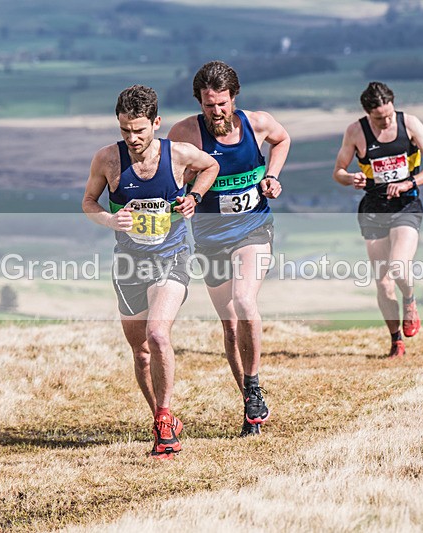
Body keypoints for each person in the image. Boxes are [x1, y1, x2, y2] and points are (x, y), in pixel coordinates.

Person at [82, 85, 219, 459]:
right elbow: (88, 202)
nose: (132, 138)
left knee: (158, 333)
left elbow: (211, 166)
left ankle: (163, 418)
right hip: (129, 263)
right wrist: (111, 219)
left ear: (156, 123)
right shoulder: (108, 160)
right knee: (141, 352)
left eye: (140, 130)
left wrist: (194, 197)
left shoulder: (178, 155)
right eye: (125, 129)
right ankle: (162, 417)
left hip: (172, 255)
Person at [167, 61, 290, 437]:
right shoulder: (186, 132)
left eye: (222, 103)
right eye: (209, 105)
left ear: (234, 98)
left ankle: (254, 386)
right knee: (231, 326)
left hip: (253, 229)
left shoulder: (258, 123)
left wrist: (272, 176)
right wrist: (185, 195)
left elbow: (282, 140)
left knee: (243, 301)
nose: (216, 112)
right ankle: (249, 405)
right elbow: (171, 174)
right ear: (199, 103)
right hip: (210, 238)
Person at [333, 81, 423, 358]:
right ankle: (396, 340)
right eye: (378, 118)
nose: (384, 122)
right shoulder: (355, 131)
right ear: (367, 113)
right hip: (373, 207)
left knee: (398, 266)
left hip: (406, 204)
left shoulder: (410, 124)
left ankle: (409, 299)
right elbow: (338, 170)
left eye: (388, 115)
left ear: (393, 106)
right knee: (382, 282)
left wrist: (410, 182)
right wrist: (350, 178)